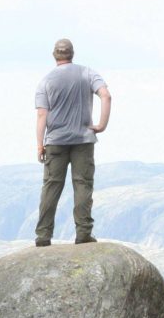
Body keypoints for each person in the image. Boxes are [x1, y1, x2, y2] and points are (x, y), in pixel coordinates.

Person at [34, 38, 111, 247]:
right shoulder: (87, 73)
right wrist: (101, 125)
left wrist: (40, 144)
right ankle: (83, 233)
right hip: (83, 140)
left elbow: (42, 115)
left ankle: (43, 236)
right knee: (82, 185)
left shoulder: (46, 81)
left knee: (51, 187)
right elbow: (106, 95)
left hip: (55, 142)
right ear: (72, 54)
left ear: (54, 55)